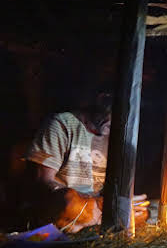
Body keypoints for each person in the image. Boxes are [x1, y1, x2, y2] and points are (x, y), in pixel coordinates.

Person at [23, 91, 148, 232]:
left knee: (140, 213)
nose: (119, 124)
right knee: (69, 201)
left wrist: (123, 203)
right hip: (72, 204)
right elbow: (43, 182)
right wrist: (94, 203)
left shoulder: (117, 136)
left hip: (97, 207)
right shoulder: (63, 124)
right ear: (102, 101)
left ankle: (87, 226)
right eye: (117, 115)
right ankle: (91, 225)